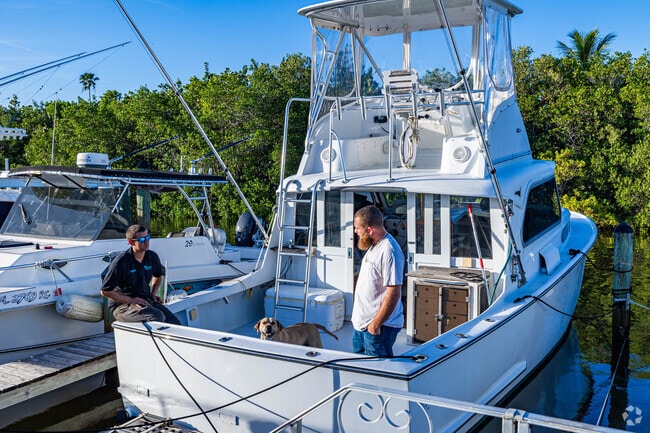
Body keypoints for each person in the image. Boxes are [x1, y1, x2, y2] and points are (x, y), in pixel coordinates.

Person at [351, 205, 405, 357]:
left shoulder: (389, 251)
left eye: (357, 228)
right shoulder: (374, 246)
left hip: (378, 329)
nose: (355, 232)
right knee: (358, 370)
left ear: (369, 230)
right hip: (361, 325)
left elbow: (393, 292)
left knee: (377, 374)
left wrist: (375, 325)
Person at [101, 224, 181, 324]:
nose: (146, 242)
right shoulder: (120, 262)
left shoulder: (152, 257)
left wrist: (153, 293)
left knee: (175, 323)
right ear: (131, 242)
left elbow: (158, 275)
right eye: (142, 240)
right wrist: (131, 300)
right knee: (157, 316)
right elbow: (105, 291)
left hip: (145, 300)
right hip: (122, 306)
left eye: (147, 237)